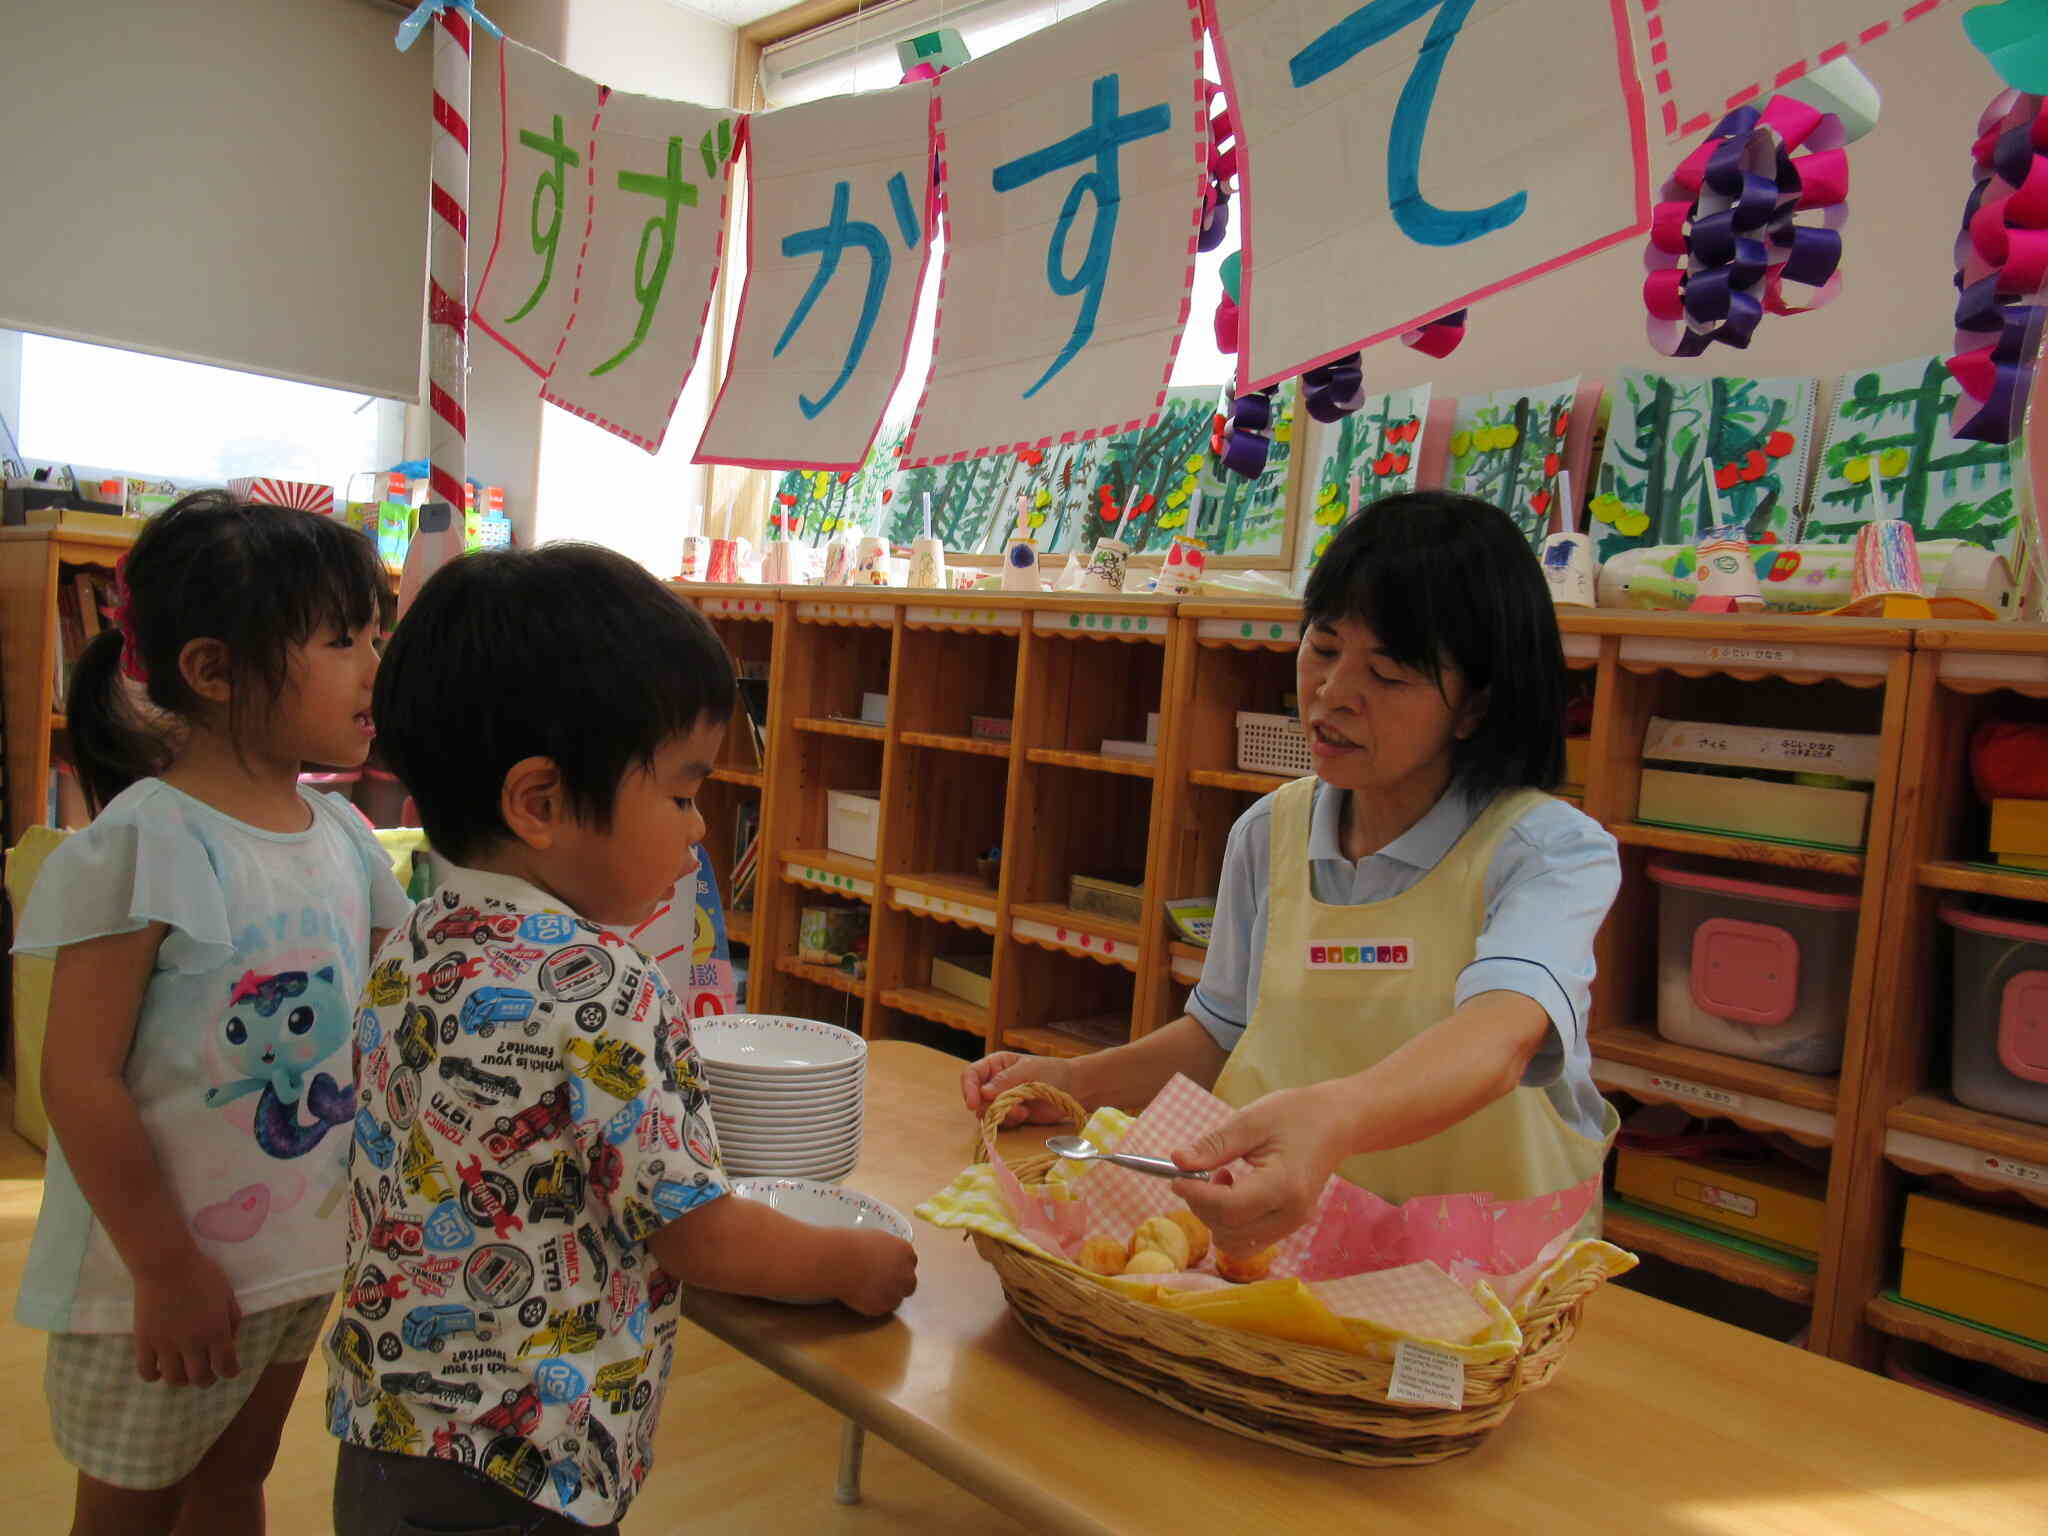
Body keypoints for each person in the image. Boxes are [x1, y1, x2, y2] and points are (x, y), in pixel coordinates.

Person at [327, 545, 917, 1535]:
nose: (697, 831)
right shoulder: (601, 986)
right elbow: (699, 1231)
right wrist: (850, 1266)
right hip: (529, 1475)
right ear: (541, 803)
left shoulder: (412, 939)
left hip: (384, 1440)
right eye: (682, 793)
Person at [964, 491, 1621, 1256]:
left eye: (1389, 672)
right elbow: (1223, 1034)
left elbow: (1499, 1039)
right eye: (1324, 644)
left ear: (1474, 705)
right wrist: (1075, 1086)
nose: (1334, 692)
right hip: (1294, 1254)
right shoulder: (1270, 833)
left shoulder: (1546, 853)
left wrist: (1334, 1118)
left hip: (1489, 1284)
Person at [13, 491, 411, 1536]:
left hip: (295, 1259)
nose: (376, 665)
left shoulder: (343, 834)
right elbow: (79, 1080)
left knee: (238, 1481)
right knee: (132, 1512)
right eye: (341, 640)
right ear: (214, 670)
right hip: (162, 1279)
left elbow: (390, 1009)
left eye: (378, 635)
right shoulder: (146, 842)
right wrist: (164, 1266)